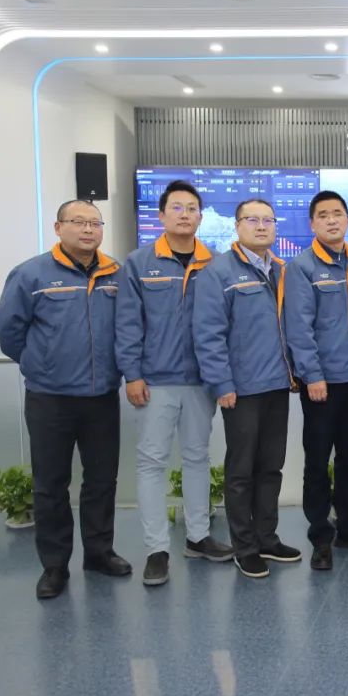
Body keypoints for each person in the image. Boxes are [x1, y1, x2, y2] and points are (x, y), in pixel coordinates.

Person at [0, 199, 130, 599]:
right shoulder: (31, 274)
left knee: (101, 480)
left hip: (101, 396)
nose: (88, 230)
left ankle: (99, 553)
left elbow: (127, 327)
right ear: (58, 228)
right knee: (51, 484)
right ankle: (54, 566)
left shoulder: (115, 273)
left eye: (95, 223)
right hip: (49, 397)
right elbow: (9, 331)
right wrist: (40, 363)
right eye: (78, 222)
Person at [116, 180, 233, 587]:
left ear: (201, 216)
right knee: (152, 463)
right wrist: (133, 374)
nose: (185, 214)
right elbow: (127, 323)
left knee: (197, 458)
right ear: (161, 215)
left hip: (201, 381)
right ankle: (157, 550)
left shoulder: (216, 263)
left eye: (192, 208)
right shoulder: (139, 263)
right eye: (177, 208)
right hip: (155, 381)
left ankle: (198, 537)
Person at [193, 198, 301, 579]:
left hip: (277, 384)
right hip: (240, 389)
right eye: (252, 219)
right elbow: (208, 334)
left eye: (268, 220)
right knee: (241, 470)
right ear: (237, 226)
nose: (261, 226)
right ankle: (245, 546)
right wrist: (222, 382)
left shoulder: (282, 270)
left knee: (271, 466)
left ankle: (267, 538)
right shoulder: (218, 272)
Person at [284, 190, 348, 572]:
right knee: (318, 461)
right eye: (323, 215)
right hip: (321, 383)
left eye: (337, 213)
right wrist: (312, 375)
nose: (332, 220)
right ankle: (321, 536)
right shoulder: (302, 267)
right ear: (312, 224)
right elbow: (299, 327)